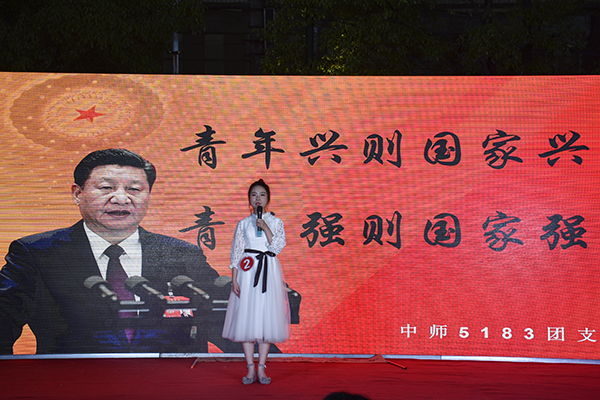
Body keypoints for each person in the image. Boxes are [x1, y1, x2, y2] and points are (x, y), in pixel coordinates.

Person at [0, 148, 224, 354]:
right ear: (77, 194)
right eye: (106, 188)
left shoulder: (183, 255)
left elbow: (228, 328)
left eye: (134, 189)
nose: (121, 199)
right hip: (74, 381)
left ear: (148, 196)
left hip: (171, 382)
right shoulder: (37, 254)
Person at [222, 179, 291, 385]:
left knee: (266, 318)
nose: (257, 198)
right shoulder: (243, 224)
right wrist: (234, 278)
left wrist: (265, 226)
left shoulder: (276, 222)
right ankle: (250, 367)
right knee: (246, 317)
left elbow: (277, 246)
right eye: (254, 195)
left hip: (268, 269)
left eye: (262, 194)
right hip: (247, 270)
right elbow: (236, 252)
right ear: (249, 199)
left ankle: (262, 367)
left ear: (268, 198)